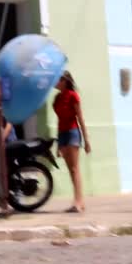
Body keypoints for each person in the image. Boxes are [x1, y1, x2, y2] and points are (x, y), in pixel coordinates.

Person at [53, 71, 91, 213]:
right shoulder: (57, 98)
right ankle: (78, 201)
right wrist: (58, 144)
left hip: (73, 132)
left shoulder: (73, 96)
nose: (55, 82)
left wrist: (86, 140)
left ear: (64, 81)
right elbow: (59, 120)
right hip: (62, 134)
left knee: (75, 168)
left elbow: (80, 118)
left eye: (57, 80)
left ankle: (78, 201)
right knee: (70, 170)